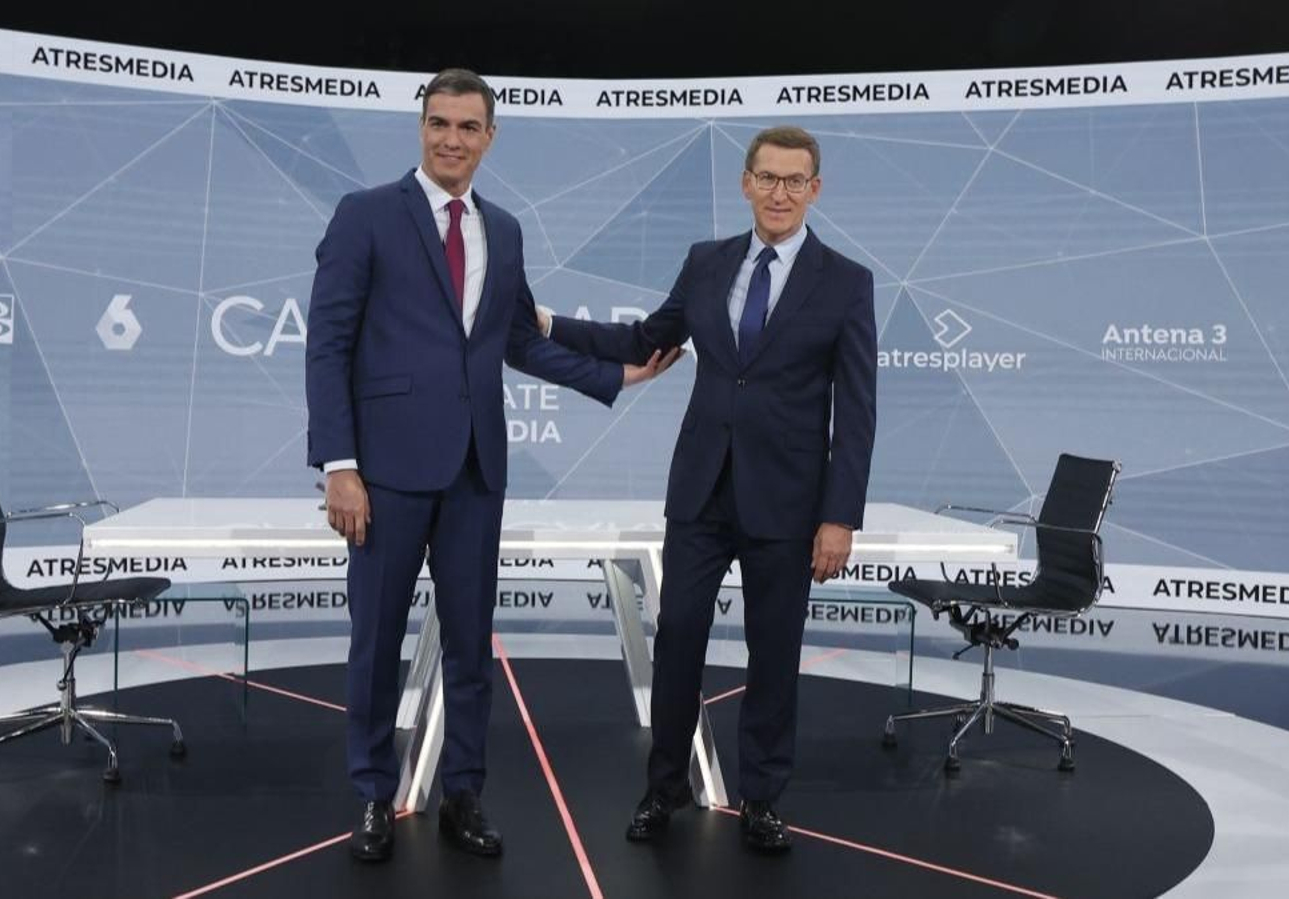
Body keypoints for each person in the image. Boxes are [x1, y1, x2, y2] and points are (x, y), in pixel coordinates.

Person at [305, 68, 677, 863]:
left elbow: (519, 340)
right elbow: (327, 344)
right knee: (375, 640)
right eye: (439, 123)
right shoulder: (365, 215)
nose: (451, 139)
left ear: (490, 137)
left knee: (473, 644)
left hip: (476, 471)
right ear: (421, 126)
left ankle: (462, 792)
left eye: (468, 127)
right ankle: (374, 791)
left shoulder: (503, 230)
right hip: (385, 474)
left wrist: (620, 375)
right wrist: (339, 464)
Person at [539, 125, 877, 853]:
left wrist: (840, 516)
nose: (780, 192)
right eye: (768, 178)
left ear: (815, 189)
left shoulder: (848, 282)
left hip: (789, 503)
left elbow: (857, 411)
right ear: (745, 183)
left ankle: (760, 797)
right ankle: (664, 787)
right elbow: (645, 342)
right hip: (699, 494)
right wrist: (545, 322)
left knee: (773, 653)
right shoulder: (706, 262)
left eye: (796, 181)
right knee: (680, 641)